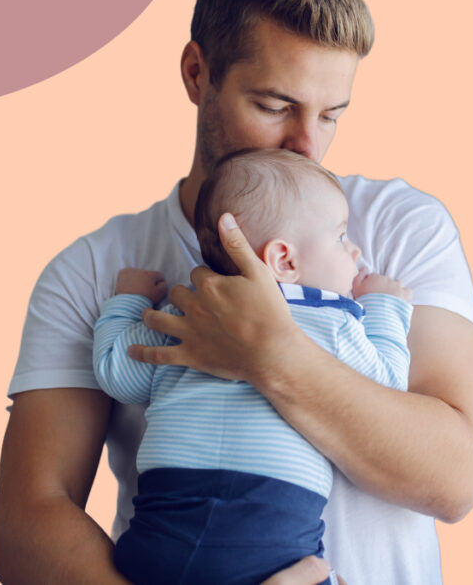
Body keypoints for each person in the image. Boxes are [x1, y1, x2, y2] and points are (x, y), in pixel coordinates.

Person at [0, 0, 473, 585]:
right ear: (198, 73)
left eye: (331, 114)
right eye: (275, 106)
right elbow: (30, 516)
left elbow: (453, 476)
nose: (308, 146)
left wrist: (271, 352)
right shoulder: (97, 269)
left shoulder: (395, 230)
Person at [95, 149, 413, 585]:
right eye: (341, 237)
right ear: (285, 262)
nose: (354, 250)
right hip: (267, 543)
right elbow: (388, 384)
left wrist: (127, 301)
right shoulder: (335, 323)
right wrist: (385, 305)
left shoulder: (189, 311)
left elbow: (118, 373)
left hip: (157, 537)